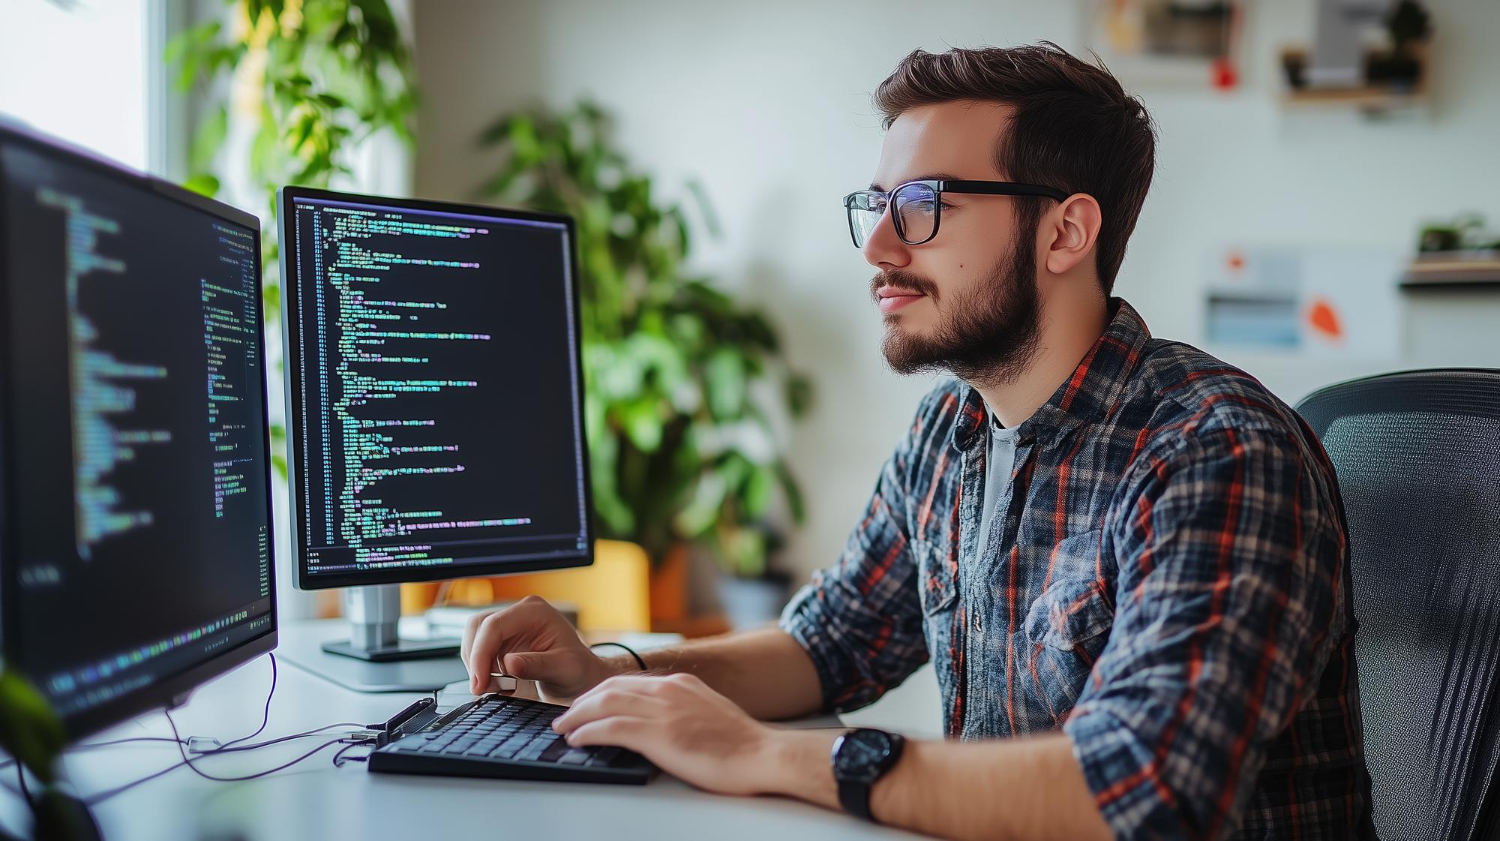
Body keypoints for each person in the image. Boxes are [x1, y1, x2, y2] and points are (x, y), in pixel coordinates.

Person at [461, 42, 1376, 841]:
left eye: (925, 205)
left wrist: (760, 755)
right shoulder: (954, 430)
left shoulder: (1217, 450)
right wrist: (613, 669)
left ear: (1066, 230)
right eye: (878, 204)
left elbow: (1141, 790)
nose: (880, 248)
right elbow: (826, 646)